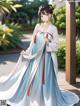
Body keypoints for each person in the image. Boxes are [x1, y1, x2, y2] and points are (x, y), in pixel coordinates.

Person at [0, 4, 79, 106]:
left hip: (46, 59)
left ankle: (45, 98)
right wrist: (27, 52)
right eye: (41, 15)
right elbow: (33, 42)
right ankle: (31, 97)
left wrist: (48, 43)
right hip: (34, 58)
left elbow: (56, 45)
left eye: (45, 14)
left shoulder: (53, 28)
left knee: (43, 80)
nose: (43, 17)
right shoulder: (38, 26)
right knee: (30, 79)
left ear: (50, 15)